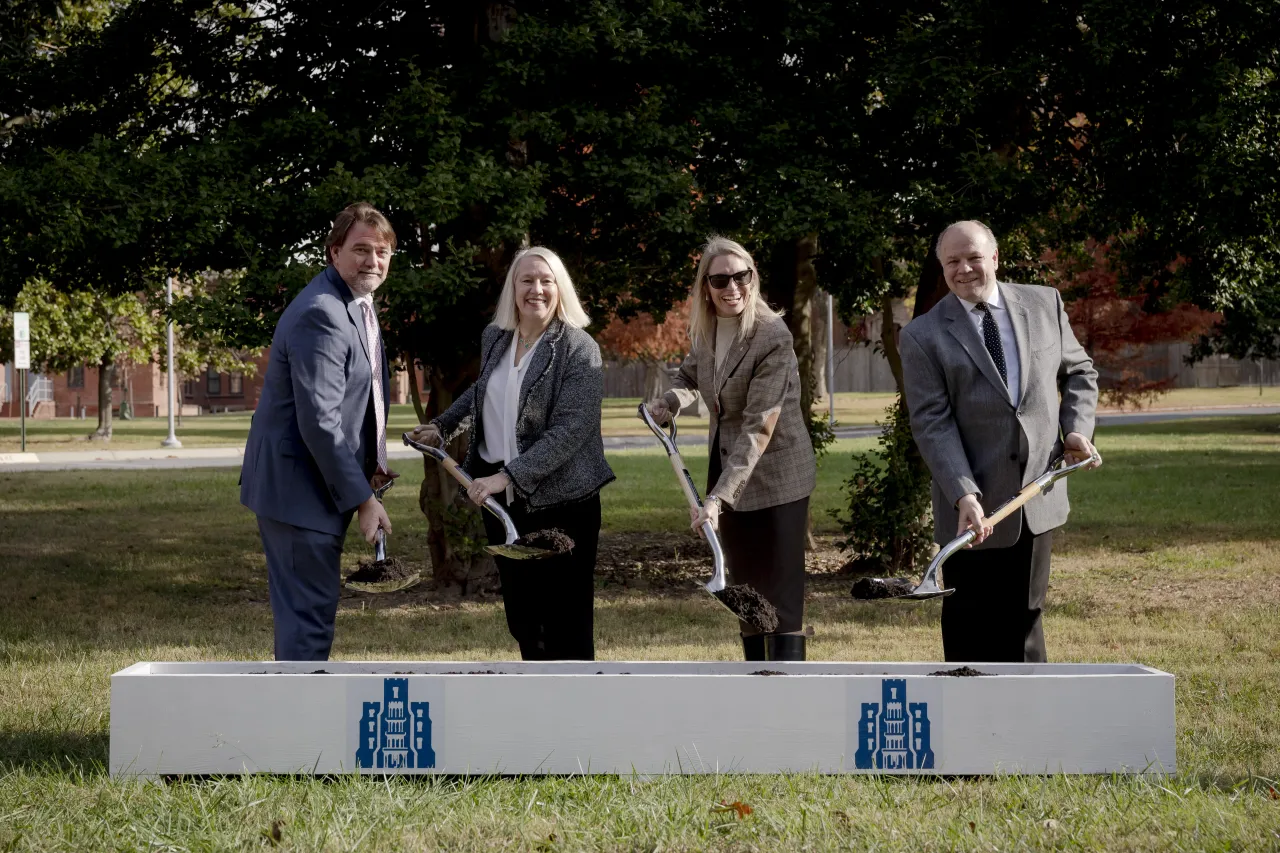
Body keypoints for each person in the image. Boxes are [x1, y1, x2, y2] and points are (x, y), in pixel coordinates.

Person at [900, 220, 1101, 663]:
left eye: (973, 257)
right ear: (942, 268)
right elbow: (932, 422)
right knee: (970, 626)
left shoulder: (1044, 303)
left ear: (994, 258)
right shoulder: (922, 336)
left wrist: (1076, 431)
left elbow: (1081, 371)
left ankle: (1029, 724)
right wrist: (963, 493)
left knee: (1026, 621)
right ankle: (970, 723)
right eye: (952, 261)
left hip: (1036, 494)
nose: (964, 268)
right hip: (970, 510)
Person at [412, 247, 614, 661]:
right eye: (527, 280)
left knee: (564, 622)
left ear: (560, 289)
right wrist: (443, 425)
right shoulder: (497, 337)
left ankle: (575, 716)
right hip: (502, 501)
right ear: (513, 288)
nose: (536, 289)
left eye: (546, 281)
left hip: (562, 502)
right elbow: (482, 389)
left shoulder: (579, 348)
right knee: (523, 619)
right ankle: (536, 710)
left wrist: (509, 476)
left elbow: (571, 430)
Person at [645, 237, 817, 662]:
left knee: (779, 594)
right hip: (728, 475)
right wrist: (668, 403)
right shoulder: (707, 332)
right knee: (743, 588)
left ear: (753, 278)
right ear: (706, 286)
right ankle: (755, 683)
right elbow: (689, 377)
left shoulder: (772, 336)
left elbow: (759, 425)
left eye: (742, 276)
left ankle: (787, 689)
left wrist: (719, 497)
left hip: (777, 480)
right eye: (720, 279)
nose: (732, 287)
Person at [241, 202, 397, 661]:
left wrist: (370, 468)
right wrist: (363, 500)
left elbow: (357, 400)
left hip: (313, 487)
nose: (373, 261)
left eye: (383, 252)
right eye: (361, 249)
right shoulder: (323, 313)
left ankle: (299, 724)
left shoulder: (355, 306)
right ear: (334, 251)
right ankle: (297, 731)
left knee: (310, 615)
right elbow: (320, 423)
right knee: (307, 624)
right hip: (298, 492)